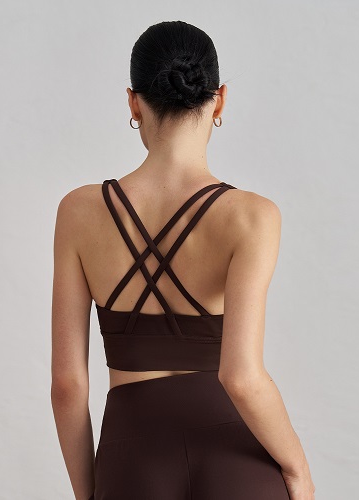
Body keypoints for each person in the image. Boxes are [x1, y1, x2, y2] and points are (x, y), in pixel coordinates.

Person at [51, 20, 315, 500]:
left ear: (134, 102)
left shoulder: (79, 212)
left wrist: (91, 493)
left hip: (131, 461)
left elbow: (68, 384)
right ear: (220, 100)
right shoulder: (252, 217)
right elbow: (242, 377)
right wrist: (296, 468)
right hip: (239, 462)